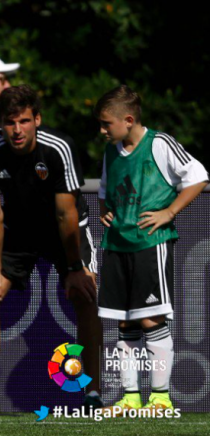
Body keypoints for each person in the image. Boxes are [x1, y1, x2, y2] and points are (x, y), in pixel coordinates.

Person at [0, 85, 104, 415]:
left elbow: (66, 213)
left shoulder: (58, 148)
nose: (17, 130)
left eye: (25, 121)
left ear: (37, 120)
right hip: (20, 232)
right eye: (10, 122)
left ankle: (94, 392)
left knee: (85, 294)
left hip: (64, 230)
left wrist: (75, 267)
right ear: (0, 123)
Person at [94, 85, 208, 412]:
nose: (102, 130)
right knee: (125, 322)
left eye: (106, 124)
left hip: (149, 243)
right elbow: (104, 189)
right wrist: (107, 210)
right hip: (117, 244)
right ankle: (130, 398)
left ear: (128, 120)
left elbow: (198, 176)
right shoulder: (112, 151)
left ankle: (159, 397)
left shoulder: (159, 143)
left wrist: (169, 212)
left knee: (151, 319)